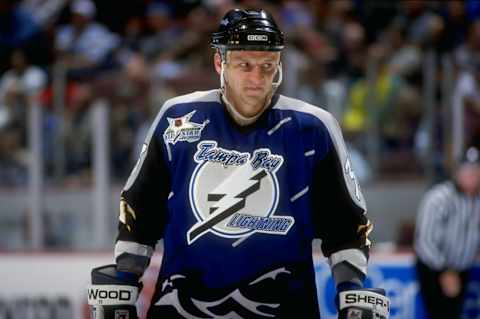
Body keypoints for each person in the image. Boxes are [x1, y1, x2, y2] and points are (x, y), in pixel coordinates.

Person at [87, 8, 389, 319]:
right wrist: (124, 278)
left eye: (267, 66)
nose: (257, 78)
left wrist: (351, 288)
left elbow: (346, 225)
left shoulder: (313, 128)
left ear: (279, 66)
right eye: (245, 64)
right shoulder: (178, 118)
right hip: (180, 309)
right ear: (220, 61)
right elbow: (141, 207)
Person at [414, 146, 480, 319]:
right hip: (435, 269)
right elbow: (425, 241)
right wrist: (445, 271)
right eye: (467, 171)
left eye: (476, 171)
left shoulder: (477, 200)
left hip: (461, 269)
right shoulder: (439, 198)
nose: (472, 176)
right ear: (457, 172)